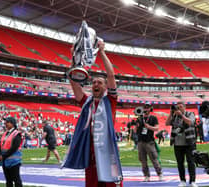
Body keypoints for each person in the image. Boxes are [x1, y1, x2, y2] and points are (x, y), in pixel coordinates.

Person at [62, 40, 123, 187]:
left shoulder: (110, 100)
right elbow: (74, 82)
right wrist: (74, 59)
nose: (96, 84)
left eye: (99, 82)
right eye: (94, 82)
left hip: (108, 151)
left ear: (105, 87)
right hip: (91, 151)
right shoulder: (86, 102)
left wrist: (102, 52)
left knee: (112, 185)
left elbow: (111, 76)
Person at [165, 102, 197, 187]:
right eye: (177, 107)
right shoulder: (175, 116)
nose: (179, 109)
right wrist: (171, 113)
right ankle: (182, 180)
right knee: (180, 163)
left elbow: (190, 122)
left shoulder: (190, 114)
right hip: (177, 143)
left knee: (191, 162)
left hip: (189, 142)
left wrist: (182, 115)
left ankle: (192, 181)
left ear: (184, 107)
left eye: (180, 107)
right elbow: (167, 123)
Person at [134, 104, 162, 182]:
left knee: (154, 158)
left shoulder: (153, 118)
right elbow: (135, 131)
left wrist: (148, 127)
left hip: (149, 141)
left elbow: (156, 128)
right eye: (144, 108)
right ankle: (146, 175)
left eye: (147, 108)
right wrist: (136, 125)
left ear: (150, 109)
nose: (146, 109)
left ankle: (159, 174)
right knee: (143, 160)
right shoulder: (139, 118)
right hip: (140, 141)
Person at [0, 117, 23, 187]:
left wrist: (3, 156)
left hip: (14, 161)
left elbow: (14, 147)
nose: (5, 124)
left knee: (16, 180)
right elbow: (0, 144)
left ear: (12, 123)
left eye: (7, 122)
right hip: (5, 160)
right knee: (8, 180)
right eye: (5, 122)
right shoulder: (5, 133)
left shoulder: (17, 134)